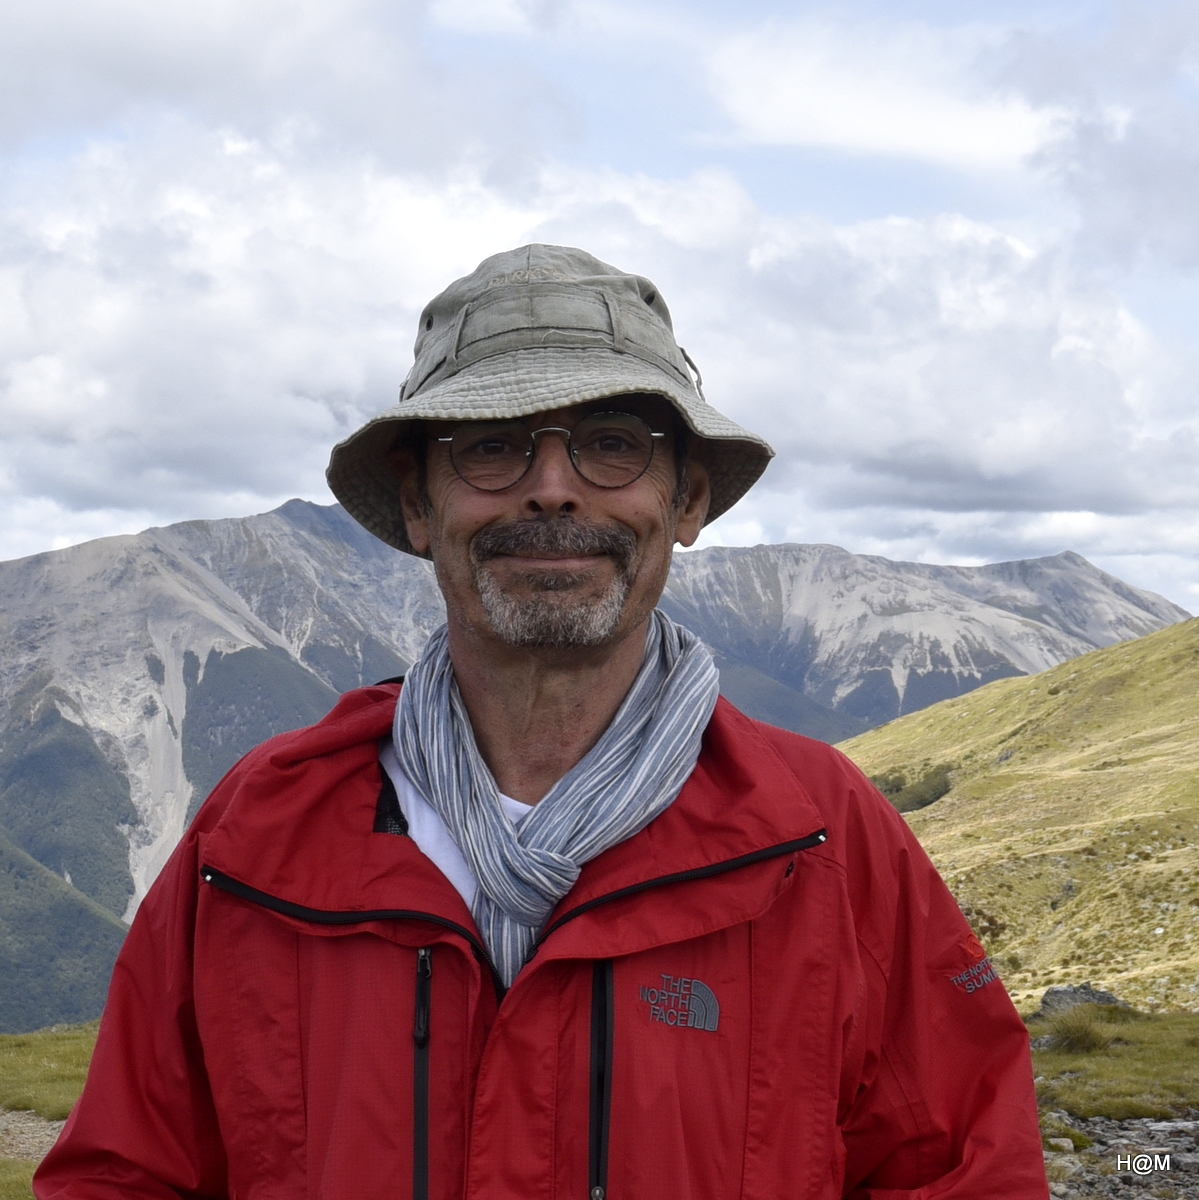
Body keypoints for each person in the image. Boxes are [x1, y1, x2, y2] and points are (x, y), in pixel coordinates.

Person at [35, 245, 1047, 1199]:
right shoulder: (257, 833)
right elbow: (125, 1174)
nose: (552, 490)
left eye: (612, 444)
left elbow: (959, 1168)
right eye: (490, 447)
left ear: (686, 501)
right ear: (419, 506)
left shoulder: (822, 837)